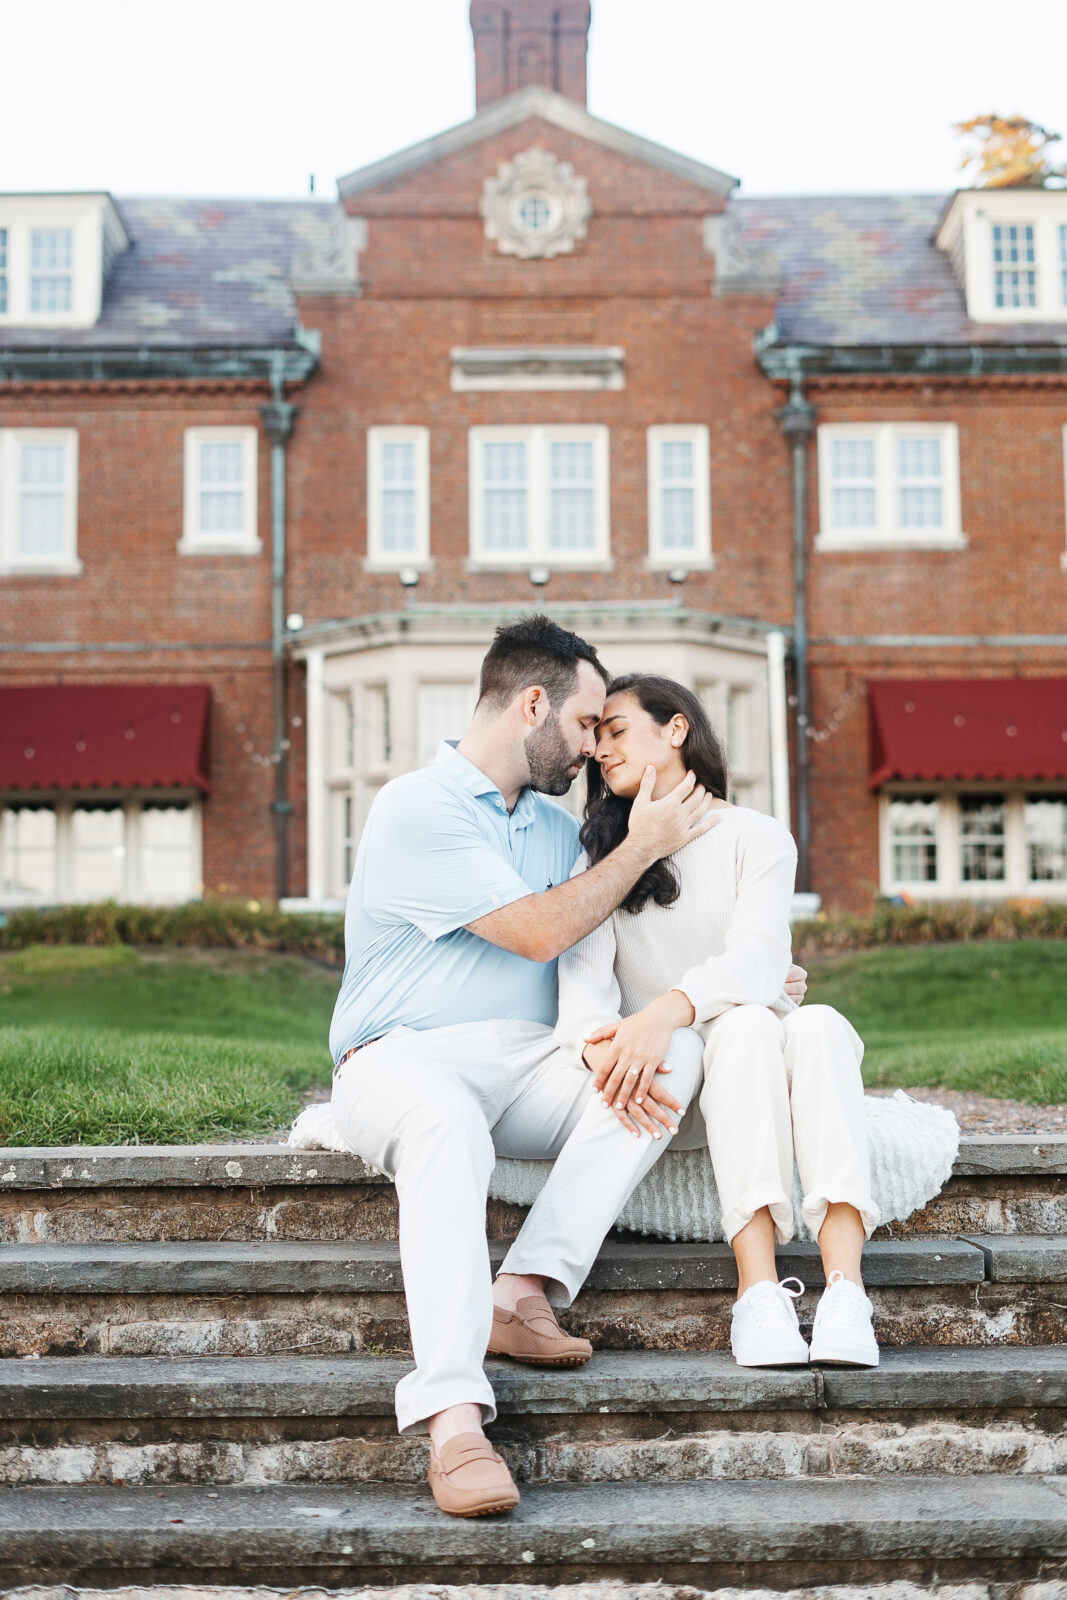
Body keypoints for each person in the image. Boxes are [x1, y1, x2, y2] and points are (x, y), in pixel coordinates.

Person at [328, 618, 812, 1518]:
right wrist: (643, 842)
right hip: (400, 1056)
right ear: (534, 704)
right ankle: (453, 1416)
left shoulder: (556, 835)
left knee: (675, 1054)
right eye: (590, 722)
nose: (594, 745)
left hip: (527, 1062)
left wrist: (748, 976)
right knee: (442, 1124)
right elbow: (543, 929)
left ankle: (526, 1286)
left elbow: (615, 948)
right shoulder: (416, 807)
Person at [555, 673, 880, 1374]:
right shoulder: (601, 859)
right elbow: (580, 993)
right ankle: (756, 1291)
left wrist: (663, 1010)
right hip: (679, 1087)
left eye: (616, 733)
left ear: (675, 730)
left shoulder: (756, 836)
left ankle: (846, 1293)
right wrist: (608, 1050)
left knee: (817, 1021)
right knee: (746, 1027)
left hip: (766, 1076)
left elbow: (760, 960)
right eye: (595, 740)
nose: (599, 752)